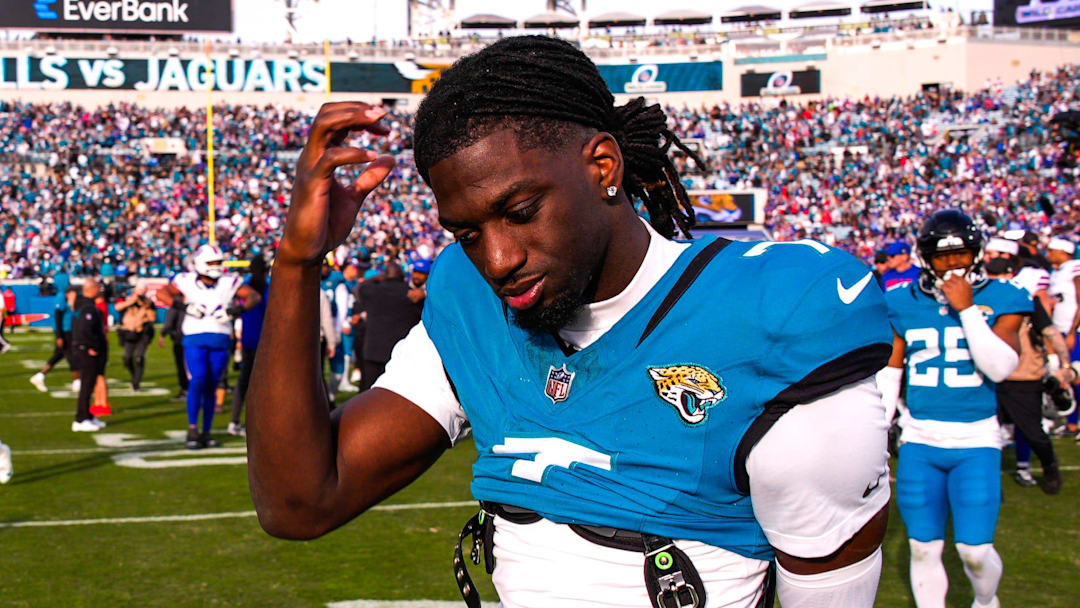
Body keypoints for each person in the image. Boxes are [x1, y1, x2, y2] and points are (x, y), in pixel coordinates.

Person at [249, 37, 893, 608]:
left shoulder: (767, 317)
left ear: (602, 166)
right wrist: (298, 261)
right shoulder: (473, 303)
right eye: (468, 234)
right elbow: (299, 502)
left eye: (521, 211)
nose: (498, 260)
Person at [878, 210, 1029, 608]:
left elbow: (1000, 368)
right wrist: (878, 431)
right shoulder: (902, 301)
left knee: (974, 552)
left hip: (976, 438)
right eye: (942, 257)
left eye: (960, 255)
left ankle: (986, 601)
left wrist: (966, 310)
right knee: (923, 547)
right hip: (920, 439)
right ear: (926, 258)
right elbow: (890, 373)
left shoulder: (1003, 296)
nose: (952, 265)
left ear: (976, 254)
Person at [985, 237, 1068, 493]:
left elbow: (1049, 331)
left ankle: (1048, 465)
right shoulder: (979, 299)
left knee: (1032, 430)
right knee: (984, 431)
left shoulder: (1024, 299)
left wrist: (1062, 363)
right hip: (987, 373)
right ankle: (984, 474)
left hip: (1023, 373)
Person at [159, 244, 261, 450]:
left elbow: (254, 297)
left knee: (211, 385)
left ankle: (206, 431)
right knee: (198, 380)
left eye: (218, 262)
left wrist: (234, 311)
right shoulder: (186, 280)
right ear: (200, 263)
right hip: (194, 337)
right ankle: (192, 428)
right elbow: (162, 293)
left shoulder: (228, 281)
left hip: (220, 338)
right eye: (212, 262)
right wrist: (184, 307)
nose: (216, 266)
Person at [354, 263, 422, 391]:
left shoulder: (372, 291)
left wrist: (376, 278)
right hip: (399, 353)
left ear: (385, 276)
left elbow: (359, 288)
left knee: (369, 393)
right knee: (396, 394)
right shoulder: (411, 294)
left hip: (373, 350)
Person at [230, 255, 269, 437]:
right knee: (256, 384)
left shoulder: (246, 287)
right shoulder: (267, 288)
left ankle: (237, 420)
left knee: (246, 382)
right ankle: (246, 421)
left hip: (251, 338)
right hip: (262, 340)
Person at [1046, 237, 1080, 440]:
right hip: (1060, 331)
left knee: (1075, 375)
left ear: (1062, 251)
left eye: (1052, 250)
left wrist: (1072, 331)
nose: (1048, 254)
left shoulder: (1075, 267)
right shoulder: (1057, 272)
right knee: (1066, 379)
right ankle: (1072, 424)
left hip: (1072, 330)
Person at [70, 278, 109, 432]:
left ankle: (88, 415)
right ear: (91, 289)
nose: (100, 290)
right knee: (86, 385)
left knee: (90, 384)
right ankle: (80, 419)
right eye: (97, 287)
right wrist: (91, 346)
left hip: (85, 349)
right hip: (87, 351)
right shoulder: (87, 307)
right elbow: (85, 329)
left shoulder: (84, 304)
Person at [30, 286, 78, 393]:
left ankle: (40, 376)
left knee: (59, 355)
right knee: (71, 355)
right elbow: (58, 315)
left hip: (68, 330)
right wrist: (59, 336)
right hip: (64, 331)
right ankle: (77, 381)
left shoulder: (70, 300)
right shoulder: (61, 297)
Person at [115, 284, 156, 391]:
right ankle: (134, 375)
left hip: (143, 333)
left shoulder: (148, 302)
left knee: (139, 357)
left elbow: (152, 317)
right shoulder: (128, 300)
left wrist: (145, 306)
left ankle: (136, 382)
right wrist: (131, 301)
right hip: (129, 333)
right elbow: (118, 307)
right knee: (127, 358)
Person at [159, 298, 188, 401]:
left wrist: (163, 334)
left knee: (183, 367)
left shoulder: (176, 304)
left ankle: (186, 390)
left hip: (181, 339)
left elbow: (169, 322)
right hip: (197, 338)